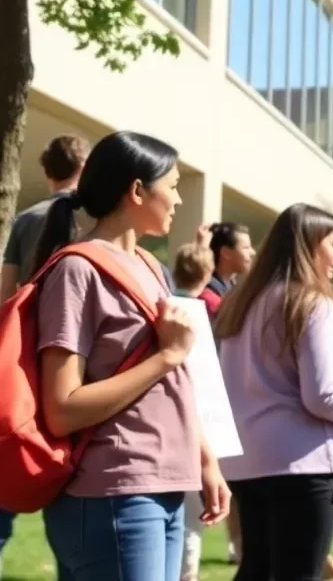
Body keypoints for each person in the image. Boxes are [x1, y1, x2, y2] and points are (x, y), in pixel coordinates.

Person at [33, 131, 230, 581]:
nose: (179, 199)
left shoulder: (151, 267)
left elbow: (176, 381)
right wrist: (166, 356)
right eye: (174, 185)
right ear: (138, 191)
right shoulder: (76, 270)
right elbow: (62, 409)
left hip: (162, 485)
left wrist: (205, 460)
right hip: (114, 490)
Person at [216, 204, 333, 581]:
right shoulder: (311, 302)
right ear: (310, 246)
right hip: (302, 463)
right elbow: (323, 396)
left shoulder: (240, 303)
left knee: (257, 569)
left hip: (247, 462)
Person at [171, 243, 217, 581]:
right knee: (191, 517)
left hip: (166, 422)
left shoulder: (164, 306)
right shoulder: (207, 315)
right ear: (208, 273)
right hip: (198, 423)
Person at [1, 133, 90, 302]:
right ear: (83, 166)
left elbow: (7, 289)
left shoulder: (24, 219)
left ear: (47, 171)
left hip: (33, 319)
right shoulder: (96, 217)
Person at [200, 222, 254, 321]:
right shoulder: (206, 294)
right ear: (226, 253)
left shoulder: (235, 288)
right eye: (246, 248)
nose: (252, 253)